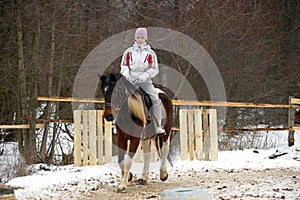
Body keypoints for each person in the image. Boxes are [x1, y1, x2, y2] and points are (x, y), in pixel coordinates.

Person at [120, 27, 165, 136]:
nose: (140, 39)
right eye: (138, 37)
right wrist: (127, 75)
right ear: (135, 38)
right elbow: (124, 66)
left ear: (145, 39)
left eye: (142, 37)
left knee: (155, 99)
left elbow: (154, 69)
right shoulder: (128, 52)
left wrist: (144, 76)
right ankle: (118, 122)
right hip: (130, 82)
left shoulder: (150, 53)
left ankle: (158, 125)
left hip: (145, 82)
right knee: (119, 97)